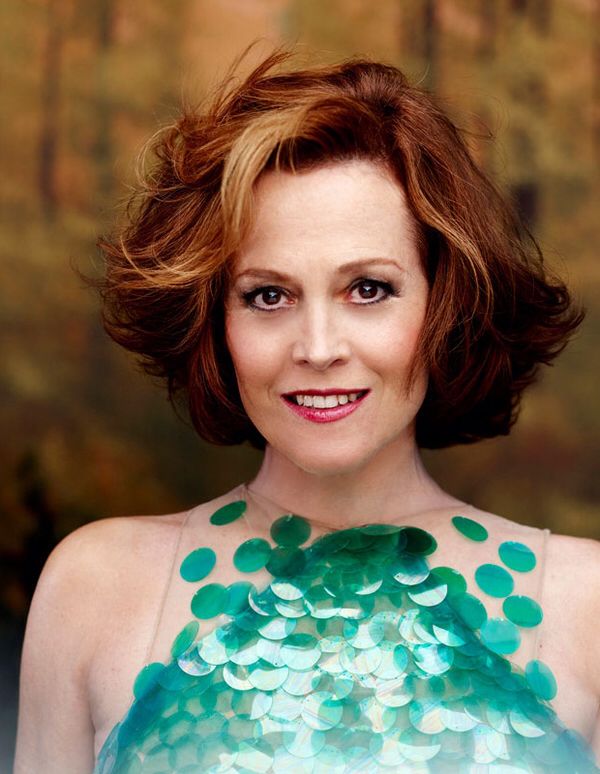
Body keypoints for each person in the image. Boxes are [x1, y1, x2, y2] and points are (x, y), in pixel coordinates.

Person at [15, 48, 600, 773]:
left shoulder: (585, 605)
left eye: (368, 290)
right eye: (268, 295)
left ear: (446, 304)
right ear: (216, 322)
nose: (318, 348)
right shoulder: (94, 587)